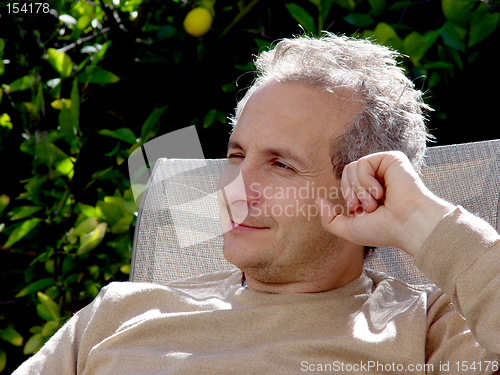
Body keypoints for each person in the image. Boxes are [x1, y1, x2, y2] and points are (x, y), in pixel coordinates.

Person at [14, 33, 500, 374]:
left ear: (361, 193)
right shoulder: (119, 312)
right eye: (236, 155)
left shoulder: (426, 332)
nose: (234, 188)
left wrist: (423, 220)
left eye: (281, 165)